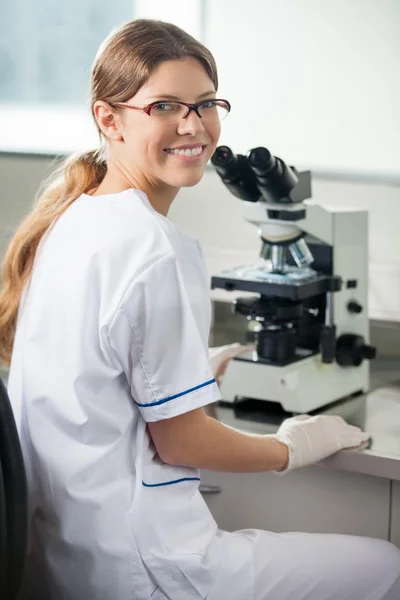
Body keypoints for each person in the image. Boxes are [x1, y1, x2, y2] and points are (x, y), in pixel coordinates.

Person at [0, 18, 399, 600]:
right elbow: (182, 443)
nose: (193, 125)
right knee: (387, 566)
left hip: (65, 561)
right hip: (145, 569)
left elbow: (93, 371)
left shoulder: (74, 218)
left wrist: (187, 373)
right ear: (108, 119)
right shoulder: (156, 247)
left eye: (206, 104)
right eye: (164, 106)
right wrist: (289, 448)